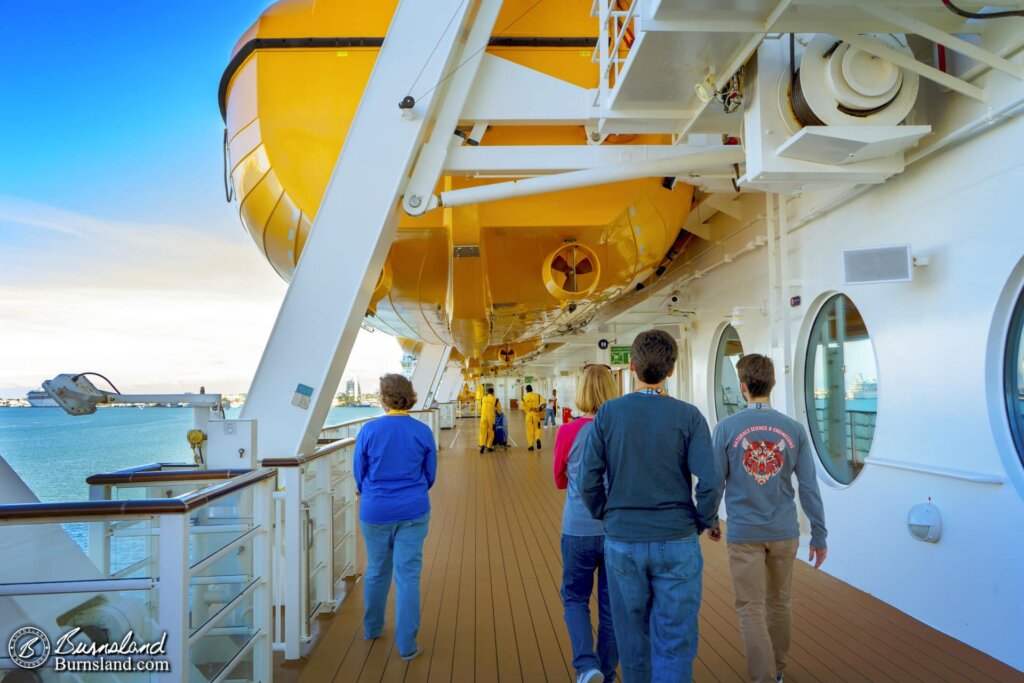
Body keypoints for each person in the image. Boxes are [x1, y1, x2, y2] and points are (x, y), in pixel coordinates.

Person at [580, 329, 722, 683]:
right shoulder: (689, 417)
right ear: (671, 370)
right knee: (675, 639)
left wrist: (606, 513)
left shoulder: (609, 414)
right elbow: (712, 480)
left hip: (623, 539)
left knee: (631, 637)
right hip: (677, 539)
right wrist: (701, 520)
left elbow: (588, 479)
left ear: (631, 366)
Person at [708, 354, 827, 683]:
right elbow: (809, 487)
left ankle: (764, 678)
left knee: (750, 607)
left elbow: (715, 481)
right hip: (783, 531)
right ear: (772, 385)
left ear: (743, 387)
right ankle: (777, 672)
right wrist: (819, 534)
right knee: (779, 603)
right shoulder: (794, 430)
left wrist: (709, 519)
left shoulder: (726, 429)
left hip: (744, 533)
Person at [353, 374, 437, 661]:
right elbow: (430, 475)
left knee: (376, 570)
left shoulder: (368, 430)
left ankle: (372, 629)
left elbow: (358, 474)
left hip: (375, 510)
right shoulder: (422, 431)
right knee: (408, 576)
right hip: (413, 510)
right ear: (409, 397)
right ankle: (407, 645)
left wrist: (376, 494)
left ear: (383, 398)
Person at [553, 365, 620, 683]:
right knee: (611, 604)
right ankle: (606, 671)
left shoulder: (568, 431)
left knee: (576, 597)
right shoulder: (620, 429)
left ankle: (585, 665)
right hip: (616, 529)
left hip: (578, 527)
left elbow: (559, 479)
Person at [521, 384, 545, 451]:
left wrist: (529, 409)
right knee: (537, 429)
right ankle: (538, 439)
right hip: (536, 415)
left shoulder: (524, 397)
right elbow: (544, 403)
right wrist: (539, 409)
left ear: (526, 390)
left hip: (528, 416)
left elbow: (522, 407)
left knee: (529, 431)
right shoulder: (537, 396)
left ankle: (531, 446)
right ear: (532, 389)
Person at [479, 386, 502, 454]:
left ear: (487, 392)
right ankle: (489, 447)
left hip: (483, 417)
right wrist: (497, 412)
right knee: (491, 432)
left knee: (483, 432)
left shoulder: (483, 398)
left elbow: (480, 408)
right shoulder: (495, 399)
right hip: (491, 419)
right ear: (493, 393)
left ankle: (482, 445)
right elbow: (500, 410)